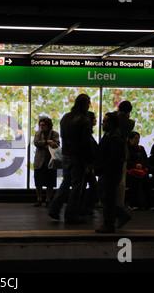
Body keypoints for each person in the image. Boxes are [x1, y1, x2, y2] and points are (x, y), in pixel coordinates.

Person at [48, 93, 95, 224]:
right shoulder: (84, 119)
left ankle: (54, 209)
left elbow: (63, 136)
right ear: (86, 104)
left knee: (66, 182)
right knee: (76, 186)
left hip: (66, 154)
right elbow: (86, 141)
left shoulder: (66, 117)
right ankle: (71, 214)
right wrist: (90, 159)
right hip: (78, 156)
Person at [95, 112, 131, 233]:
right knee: (107, 197)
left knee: (108, 198)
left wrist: (103, 168)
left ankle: (109, 223)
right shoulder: (111, 135)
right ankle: (121, 215)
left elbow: (113, 157)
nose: (102, 124)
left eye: (105, 121)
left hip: (110, 172)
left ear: (111, 123)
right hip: (109, 171)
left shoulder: (114, 138)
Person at [32, 117, 60, 207]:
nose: (41, 127)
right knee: (38, 180)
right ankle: (39, 198)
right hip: (39, 160)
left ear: (48, 125)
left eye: (43, 125)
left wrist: (43, 143)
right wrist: (47, 142)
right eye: (40, 125)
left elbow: (56, 144)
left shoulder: (54, 133)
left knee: (50, 181)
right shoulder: (38, 133)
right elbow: (36, 143)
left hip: (50, 160)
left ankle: (48, 199)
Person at [125, 131, 154, 211]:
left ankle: (149, 204)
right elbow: (125, 162)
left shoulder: (141, 148)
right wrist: (135, 165)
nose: (137, 140)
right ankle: (133, 204)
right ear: (130, 139)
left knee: (147, 181)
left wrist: (141, 165)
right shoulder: (126, 149)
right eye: (135, 138)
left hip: (140, 170)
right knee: (133, 181)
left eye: (138, 139)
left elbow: (146, 160)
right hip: (130, 171)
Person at [116, 101, 135, 212]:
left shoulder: (113, 118)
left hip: (111, 151)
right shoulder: (130, 123)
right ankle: (120, 203)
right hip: (123, 152)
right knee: (121, 180)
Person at [79, 111, 99, 215]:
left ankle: (83, 207)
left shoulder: (85, 133)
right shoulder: (87, 135)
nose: (96, 120)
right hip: (86, 164)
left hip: (85, 163)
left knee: (84, 185)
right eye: (94, 118)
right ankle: (85, 207)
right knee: (92, 185)